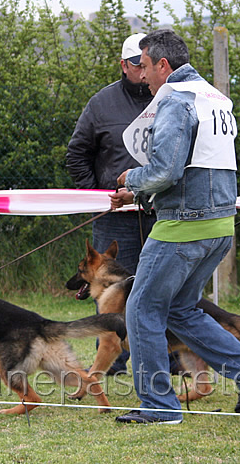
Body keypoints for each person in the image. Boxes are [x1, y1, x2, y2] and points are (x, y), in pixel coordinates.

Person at [111, 29, 240, 425]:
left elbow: (166, 170)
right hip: (219, 225)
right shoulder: (215, 98)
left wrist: (131, 180)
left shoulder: (177, 100)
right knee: (181, 309)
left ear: (163, 65)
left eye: (146, 66)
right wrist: (143, 196)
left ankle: (159, 406)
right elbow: (195, 168)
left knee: (142, 309)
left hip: (183, 228)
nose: (142, 76)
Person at [66, 33, 158, 375]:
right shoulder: (101, 103)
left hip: (160, 211)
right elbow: (77, 153)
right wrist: (97, 196)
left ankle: (173, 355)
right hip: (115, 215)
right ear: (124, 65)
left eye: (146, 64)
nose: (142, 72)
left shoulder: (169, 97)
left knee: (162, 283)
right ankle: (111, 359)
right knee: (108, 291)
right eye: (136, 65)